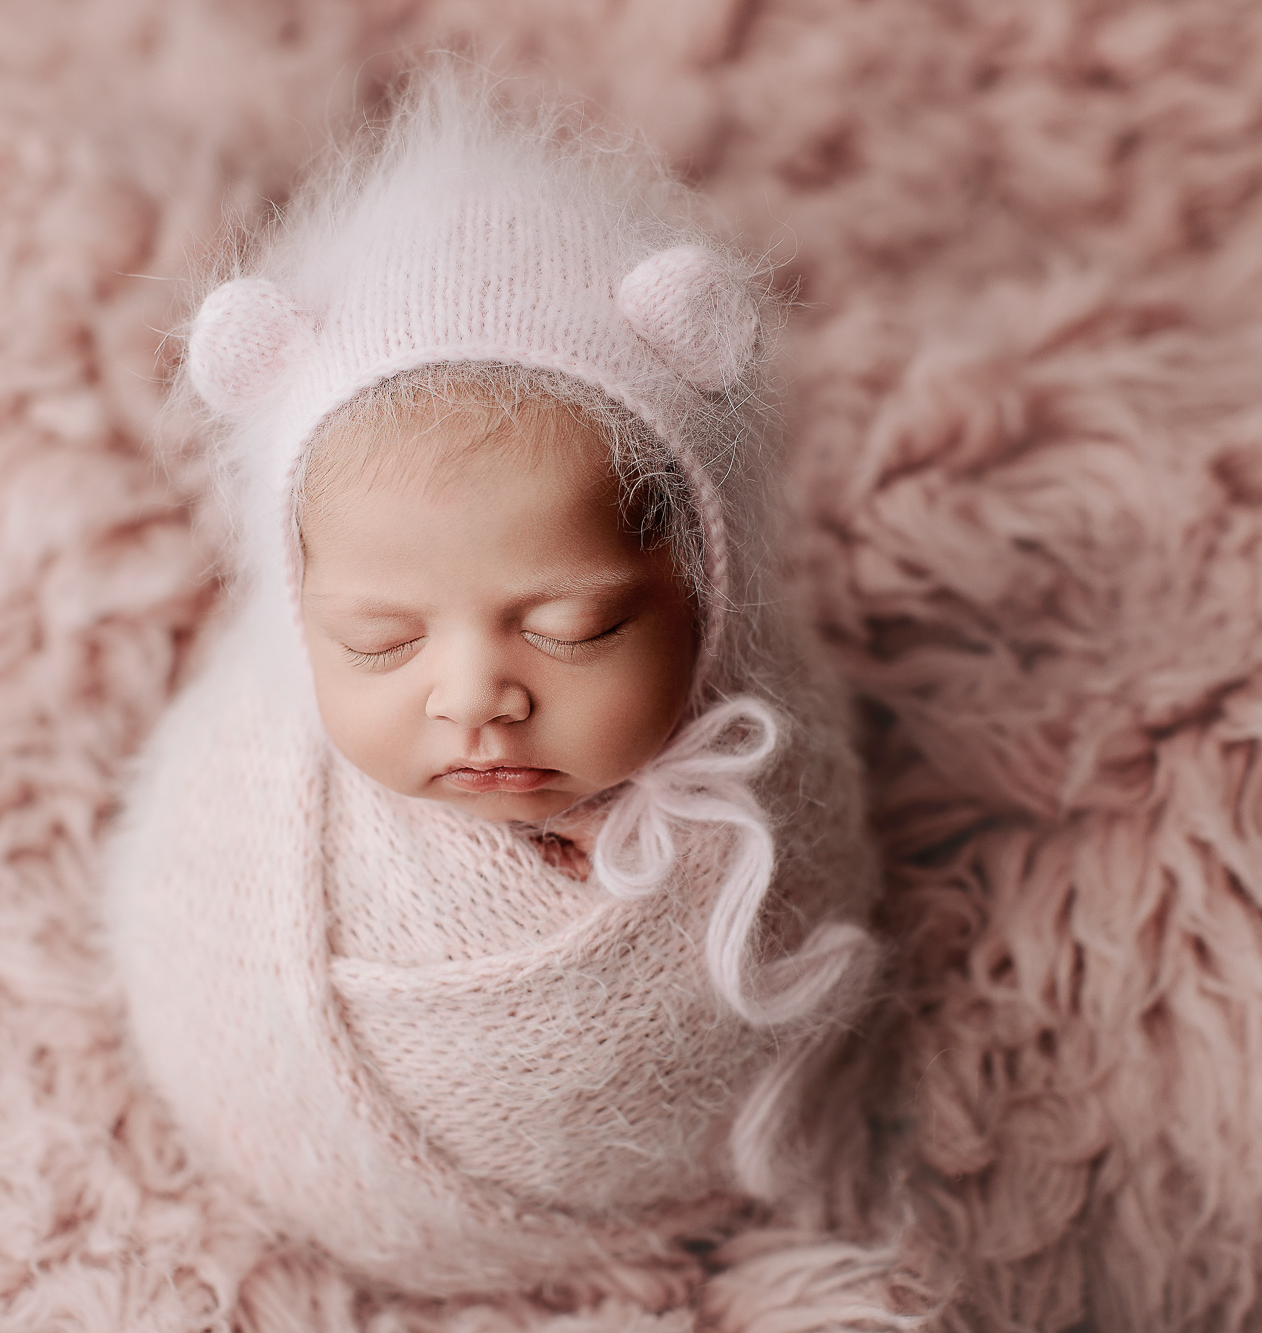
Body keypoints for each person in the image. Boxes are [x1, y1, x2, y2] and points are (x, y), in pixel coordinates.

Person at [105, 67, 882, 1298]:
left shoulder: (772, 777)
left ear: (704, 588)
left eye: (571, 626)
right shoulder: (248, 842)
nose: (474, 698)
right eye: (375, 639)